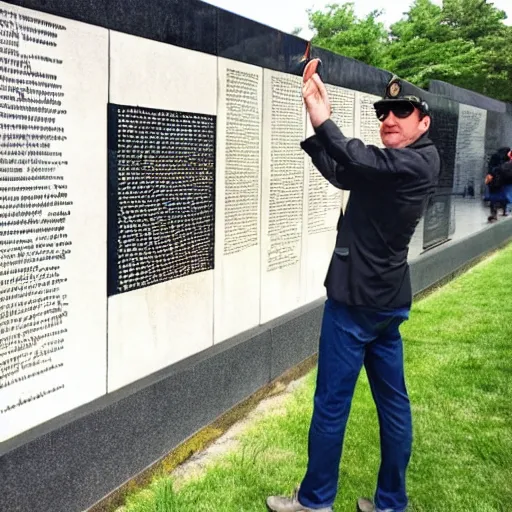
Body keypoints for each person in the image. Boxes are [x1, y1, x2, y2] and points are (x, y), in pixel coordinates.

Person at [266, 68, 440, 512]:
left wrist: (324, 118)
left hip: (355, 304)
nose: (390, 118)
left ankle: (315, 502)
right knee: (394, 404)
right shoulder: (399, 164)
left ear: (424, 122)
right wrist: (315, 125)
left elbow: (357, 158)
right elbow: (346, 173)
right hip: (387, 304)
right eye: (384, 111)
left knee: (330, 405)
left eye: (404, 110)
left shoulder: (415, 161)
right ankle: (390, 503)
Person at [484, 147, 512, 221]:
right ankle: (504, 211)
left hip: (494, 181)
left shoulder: (495, 156)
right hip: (502, 181)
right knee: (504, 197)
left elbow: (490, 168)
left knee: (494, 198)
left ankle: (494, 214)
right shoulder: (506, 158)